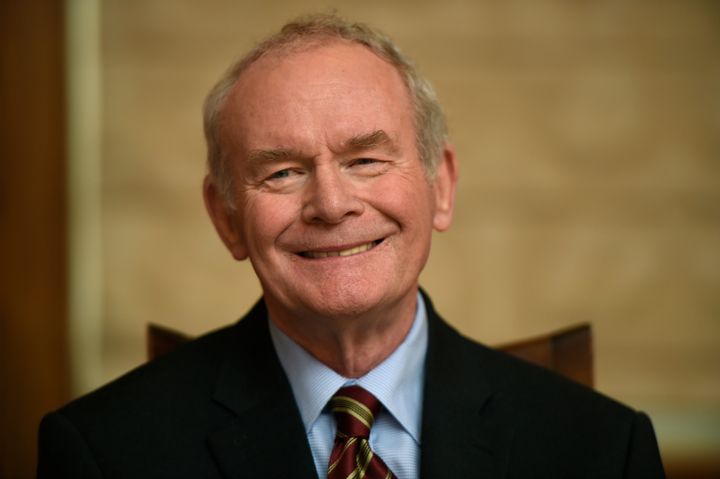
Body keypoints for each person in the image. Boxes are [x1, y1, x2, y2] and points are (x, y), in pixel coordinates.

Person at [38, 13, 665, 479]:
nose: (332, 204)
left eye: (365, 159)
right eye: (281, 172)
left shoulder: (604, 449)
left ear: (440, 186)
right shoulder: (104, 452)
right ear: (227, 218)